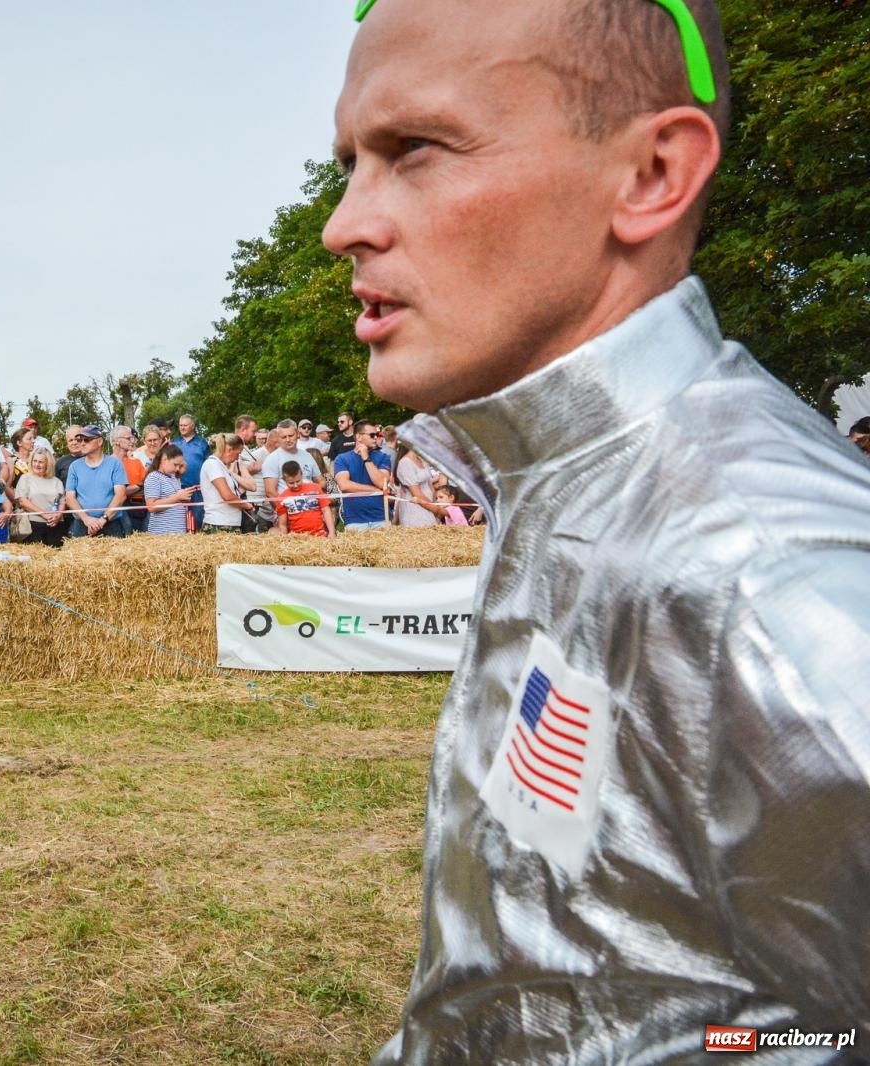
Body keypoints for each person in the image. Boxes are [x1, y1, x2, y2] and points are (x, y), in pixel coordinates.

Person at [327, 0, 870, 1061]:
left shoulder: (778, 584)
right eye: (351, 162)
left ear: (653, 175)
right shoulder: (562, 477)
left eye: (416, 148)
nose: (343, 223)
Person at [63, 426, 129, 538]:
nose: (82, 443)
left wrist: (103, 519)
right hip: (82, 524)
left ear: (99, 441)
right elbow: (69, 498)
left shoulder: (115, 463)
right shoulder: (74, 466)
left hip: (111, 523)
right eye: (80, 440)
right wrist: (86, 519)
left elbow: (121, 495)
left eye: (87, 440)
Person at [330, 420, 391, 531]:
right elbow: (344, 486)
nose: (376, 438)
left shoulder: (384, 457)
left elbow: (382, 483)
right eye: (372, 435)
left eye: (377, 435)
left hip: (382, 518)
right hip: (355, 521)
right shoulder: (341, 459)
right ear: (358, 437)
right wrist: (374, 490)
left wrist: (366, 458)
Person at [197, 433, 254, 533]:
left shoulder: (220, 466)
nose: (237, 458)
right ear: (229, 450)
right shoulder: (213, 464)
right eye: (238, 454)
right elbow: (227, 496)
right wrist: (246, 505)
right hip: (219, 524)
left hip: (227, 523)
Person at [11, 448, 68, 547]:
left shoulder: (57, 481)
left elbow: (62, 502)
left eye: (41, 462)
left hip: (56, 525)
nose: (37, 464)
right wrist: (44, 514)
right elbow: (23, 501)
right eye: (35, 461)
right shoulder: (25, 478)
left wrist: (58, 516)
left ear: (48, 464)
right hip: (33, 525)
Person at [141, 444, 195, 536]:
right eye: (175, 465)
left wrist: (183, 497)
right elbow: (151, 506)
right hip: (162, 536)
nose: (177, 469)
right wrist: (177, 497)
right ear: (165, 459)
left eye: (179, 465)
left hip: (177, 535)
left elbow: (172, 499)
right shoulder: (153, 477)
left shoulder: (174, 477)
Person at [273, 461, 336, 537]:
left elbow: (326, 510)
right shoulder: (282, 498)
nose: (295, 485)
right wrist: (284, 538)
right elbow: (283, 524)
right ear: (284, 480)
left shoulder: (315, 488)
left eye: (298, 481)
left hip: (320, 534)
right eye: (291, 483)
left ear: (302, 475)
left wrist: (332, 532)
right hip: (297, 537)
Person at [391, 441, 441, 528]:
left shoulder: (421, 459)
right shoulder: (405, 462)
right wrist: (437, 510)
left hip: (429, 508)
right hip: (415, 511)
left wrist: (435, 505)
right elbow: (417, 495)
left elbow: (429, 485)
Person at [173, 413, 209, 531]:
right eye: (180, 425)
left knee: (197, 520)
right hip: (177, 489)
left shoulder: (202, 443)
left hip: (197, 489)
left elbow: (208, 464)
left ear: (192, 426)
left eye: (185, 425)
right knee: (179, 521)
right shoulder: (173, 443)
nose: (182, 428)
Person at [111, 426, 149, 533]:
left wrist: (135, 487)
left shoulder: (136, 461)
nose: (132, 441)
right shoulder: (108, 464)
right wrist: (139, 486)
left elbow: (147, 484)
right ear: (117, 441)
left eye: (132, 438)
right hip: (121, 510)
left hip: (142, 507)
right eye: (128, 438)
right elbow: (115, 493)